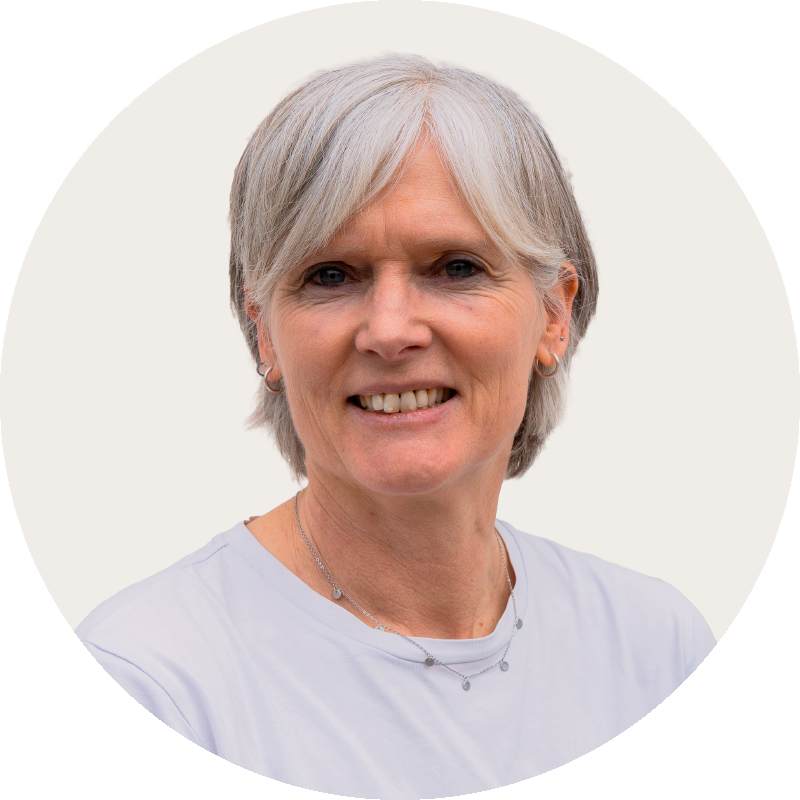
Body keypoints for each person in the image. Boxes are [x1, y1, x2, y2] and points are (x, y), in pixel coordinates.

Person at [11, 54, 751, 799]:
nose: (390, 330)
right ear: (265, 334)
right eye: (330, 275)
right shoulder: (142, 687)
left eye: (455, 267)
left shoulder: (655, 647)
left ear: (554, 314)